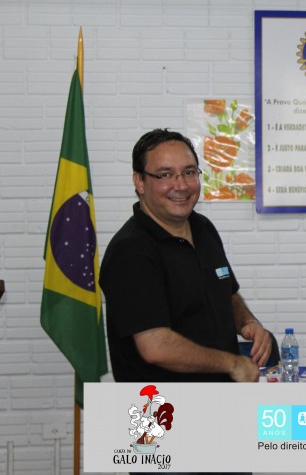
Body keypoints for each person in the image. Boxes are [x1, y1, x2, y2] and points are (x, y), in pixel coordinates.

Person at [100, 129, 273, 475]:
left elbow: (225, 289)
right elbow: (155, 346)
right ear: (139, 181)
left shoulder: (202, 228)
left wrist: (247, 322)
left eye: (189, 172)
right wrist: (233, 364)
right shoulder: (131, 252)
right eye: (165, 174)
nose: (181, 185)